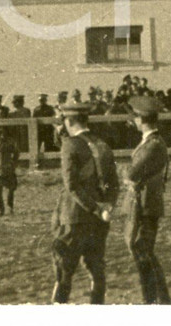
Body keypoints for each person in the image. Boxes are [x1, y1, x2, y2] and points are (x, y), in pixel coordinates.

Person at [50, 102, 119, 305]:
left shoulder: (70, 145)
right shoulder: (102, 144)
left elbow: (71, 186)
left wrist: (94, 208)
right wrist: (106, 207)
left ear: (69, 121)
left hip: (74, 218)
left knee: (64, 272)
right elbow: (114, 184)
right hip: (99, 220)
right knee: (96, 270)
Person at [124, 95, 171, 304]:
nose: (133, 120)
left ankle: (154, 301)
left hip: (146, 204)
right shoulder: (152, 142)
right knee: (144, 254)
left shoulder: (153, 145)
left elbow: (131, 173)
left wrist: (127, 176)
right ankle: (159, 301)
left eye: (135, 117)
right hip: (144, 203)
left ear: (142, 119)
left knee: (143, 254)